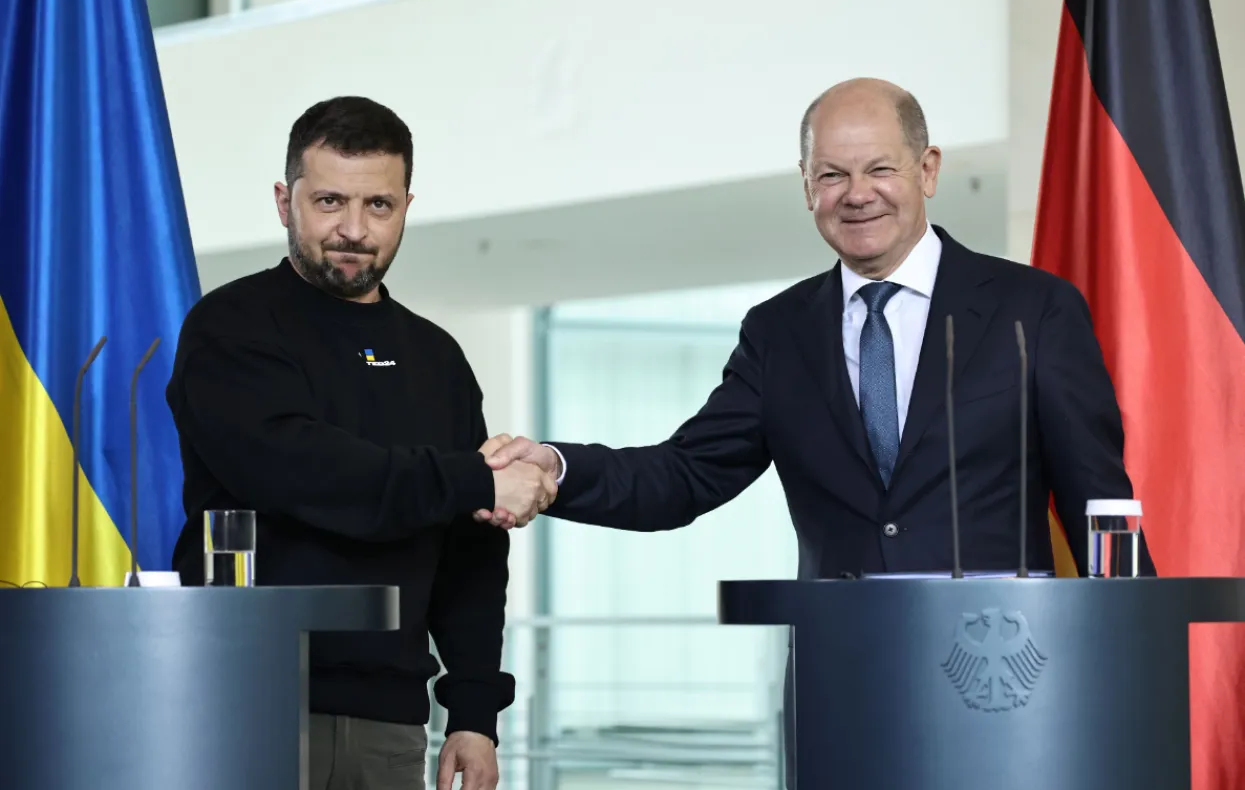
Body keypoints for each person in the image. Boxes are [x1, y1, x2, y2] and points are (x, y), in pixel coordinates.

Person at [473, 77, 1155, 783]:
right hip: (841, 687)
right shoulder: (779, 331)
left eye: (879, 168)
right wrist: (555, 467)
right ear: (806, 186)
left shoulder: (1032, 310)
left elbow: (1098, 502)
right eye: (832, 175)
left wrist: (1138, 672)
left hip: (1007, 687)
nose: (856, 194)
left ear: (927, 170)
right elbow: (684, 475)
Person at [166, 96, 558, 790]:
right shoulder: (230, 327)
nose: (353, 229)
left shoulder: (437, 357)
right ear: (285, 202)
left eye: (378, 205)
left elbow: (470, 551)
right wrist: (471, 479)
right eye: (329, 201)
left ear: (406, 206)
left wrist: (473, 712)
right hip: (242, 700)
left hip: (391, 725)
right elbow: (302, 470)